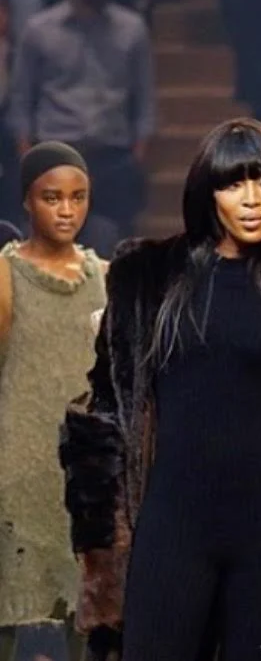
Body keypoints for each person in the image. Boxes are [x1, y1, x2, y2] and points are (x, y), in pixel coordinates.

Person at [59, 118, 261, 661]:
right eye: (234, 183)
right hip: (174, 522)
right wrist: (100, 547)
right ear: (208, 191)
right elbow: (106, 417)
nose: (252, 199)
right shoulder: (149, 281)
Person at [0, 141, 106, 661]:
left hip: (83, 474)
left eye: (77, 197)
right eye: (51, 198)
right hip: (17, 469)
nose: (66, 210)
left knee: (87, 611)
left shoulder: (104, 277)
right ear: (27, 201)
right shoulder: (6, 275)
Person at [8, 0, 155, 254]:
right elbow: (22, 100)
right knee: (50, 252)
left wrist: (139, 151)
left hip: (112, 157)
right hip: (55, 153)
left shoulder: (132, 31)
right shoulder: (39, 31)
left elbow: (144, 100)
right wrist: (26, 154)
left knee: (111, 248)